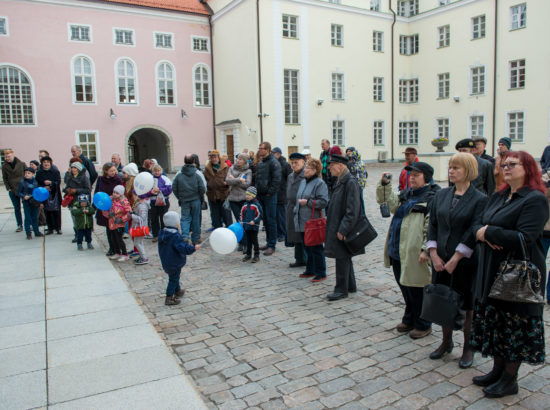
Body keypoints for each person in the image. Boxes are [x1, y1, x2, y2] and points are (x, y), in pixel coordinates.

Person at [471, 151, 547, 399]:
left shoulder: (534, 199)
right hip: (492, 268)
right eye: (504, 164)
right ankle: (497, 370)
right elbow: (479, 223)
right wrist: (485, 231)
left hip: (518, 273)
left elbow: (525, 237)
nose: (506, 167)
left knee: (515, 324)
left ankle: (509, 379)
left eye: (512, 164)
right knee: (497, 323)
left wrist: (490, 233)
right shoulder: (500, 194)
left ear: (527, 168)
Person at [426, 153, 488, 368]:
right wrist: (433, 253)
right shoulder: (441, 195)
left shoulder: (480, 199)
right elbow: (433, 224)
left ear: (468, 171)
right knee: (443, 301)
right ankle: (446, 342)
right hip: (440, 259)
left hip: (465, 262)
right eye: (451, 167)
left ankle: (468, 348)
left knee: (467, 306)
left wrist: (456, 257)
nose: (451, 171)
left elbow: (474, 230)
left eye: (457, 168)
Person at [376, 161, 440, 338]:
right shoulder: (408, 194)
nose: (412, 178)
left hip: (414, 250)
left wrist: (425, 249)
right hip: (398, 248)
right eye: (411, 175)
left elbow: (432, 226)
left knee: (418, 288)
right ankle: (410, 317)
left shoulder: (432, 197)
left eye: (417, 175)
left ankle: (423, 323)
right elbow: (390, 204)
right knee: (404, 285)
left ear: (426, 178)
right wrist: (385, 186)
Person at [324, 155, 365, 301]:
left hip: (342, 227)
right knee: (345, 255)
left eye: (332, 165)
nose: (329, 168)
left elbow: (352, 210)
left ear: (341, 166)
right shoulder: (342, 181)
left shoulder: (350, 182)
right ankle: (350, 285)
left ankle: (341, 289)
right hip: (337, 224)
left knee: (341, 256)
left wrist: (343, 229)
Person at [294, 159, 329, 282]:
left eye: (307, 168)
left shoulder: (320, 183)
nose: (304, 170)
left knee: (316, 248)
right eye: (305, 167)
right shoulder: (303, 181)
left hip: (313, 221)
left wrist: (308, 202)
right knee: (307, 246)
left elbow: (324, 202)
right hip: (302, 220)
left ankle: (321, 272)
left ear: (314, 170)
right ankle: (310, 269)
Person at [158, 211, 200, 306]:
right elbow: (182, 247)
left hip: (167, 260)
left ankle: (177, 290)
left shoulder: (163, 232)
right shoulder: (175, 236)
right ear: (175, 223)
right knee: (173, 278)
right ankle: (169, 297)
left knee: (174, 276)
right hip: (174, 261)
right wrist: (193, 248)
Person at [173, 155, 206, 245]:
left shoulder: (179, 173)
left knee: (185, 218)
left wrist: (179, 197)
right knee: (196, 218)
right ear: (193, 161)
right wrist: (200, 196)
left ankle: (185, 236)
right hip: (196, 199)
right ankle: (195, 239)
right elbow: (202, 188)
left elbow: (174, 187)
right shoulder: (197, 173)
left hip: (184, 200)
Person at [256, 141, 282, 256]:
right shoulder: (261, 162)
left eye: (261, 148)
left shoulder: (273, 162)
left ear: (267, 150)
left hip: (269, 196)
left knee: (271, 220)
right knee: (265, 220)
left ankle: (272, 245)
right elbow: (258, 179)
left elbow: (277, 180)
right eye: (259, 148)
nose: (259, 150)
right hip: (261, 195)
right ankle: (268, 242)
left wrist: (269, 193)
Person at [94, 162, 123, 256]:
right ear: (106, 171)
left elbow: (121, 193)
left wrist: (113, 197)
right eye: (111, 171)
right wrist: (95, 204)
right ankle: (111, 248)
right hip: (104, 207)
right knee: (108, 228)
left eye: (114, 170)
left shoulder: (118, 179)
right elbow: (97, 192)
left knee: (115, 229)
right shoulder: (100, 179)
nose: (113, 172)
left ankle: (118, 249)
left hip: (114, 207)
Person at [226, 153, 252, 251]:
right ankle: (241, 242)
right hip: (233, 199)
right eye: (238, 159)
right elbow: (227, 181)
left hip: (243, 199)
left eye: (241, 159)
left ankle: (246, 243)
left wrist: (234, 180)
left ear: (245, 161)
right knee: (238, 221)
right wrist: (239, 180)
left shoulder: (248, 171)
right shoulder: (231, 168)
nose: (238, 160)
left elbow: (247, 184)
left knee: (244, 221)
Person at [287, 152, 307, 268]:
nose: (294, 165)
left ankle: (306, 258)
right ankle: (299, 258)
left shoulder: (306, 175)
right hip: (291, 207)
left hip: (302, 208)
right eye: (292, 163)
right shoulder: (291, 175)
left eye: (296, 162)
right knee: (295, 235)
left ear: (303, 162)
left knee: (302, 235)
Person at [204, 150, 232, 229]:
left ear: (218, 157)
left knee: (227, 215)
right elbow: (206, 179)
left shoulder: (225, 166)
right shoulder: (207, 168)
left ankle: (229, 232)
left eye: (215, 157)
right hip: (212, 195)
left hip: (224, 194)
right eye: (212, 157)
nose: (214, 159)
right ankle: (218, 231)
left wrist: (227, 183)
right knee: (215, 216)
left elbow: (230, 177)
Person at [103, 185, 131, 261]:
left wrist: (122, 219)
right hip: (111, 223)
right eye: (114, 192)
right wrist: (108, 215)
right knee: (113, 238)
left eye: (117, 193)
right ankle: (117, 252)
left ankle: (125, 254)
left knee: (119, 239)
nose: (115, 194)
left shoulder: (124, 201)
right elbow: (104, 209)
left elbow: (129, 213)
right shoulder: (110, 199)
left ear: (121, 194)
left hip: (119, 224)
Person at [36, 156, 62, 235]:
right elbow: (37, 183)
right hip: (44, 195)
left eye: (47, 162)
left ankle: (58, 228)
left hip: (54, 194)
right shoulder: (39, 173)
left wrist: (51, 184)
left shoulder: (55, 171)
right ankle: (50, 228)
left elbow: (58, 181)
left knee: (56, 212)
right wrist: (44, 187)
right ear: (42, 164)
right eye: (44, 162)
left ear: (50, 163)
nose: (46, 163)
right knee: (47, 212)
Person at [2, 149, 26, 232]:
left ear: (13, 155)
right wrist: (8, 187)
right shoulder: (4, 166)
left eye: (8, 156)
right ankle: (19, 225)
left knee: (26, 207)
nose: (7, 158)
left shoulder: (21, 164)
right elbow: (4, 178)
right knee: (17, 208)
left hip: (22, 189)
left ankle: (28, 224)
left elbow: (27, 174)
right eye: (5, 157)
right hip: (12, 190)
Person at [272, 147, 292, 243]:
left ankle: (282, 234)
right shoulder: (272, 164)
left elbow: (290, 178)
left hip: (282, 193)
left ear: (278, 154)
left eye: (274, 153)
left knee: (281, 216)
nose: (272, 154)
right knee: (275, 215)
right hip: (274, 193)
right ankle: (277, 233)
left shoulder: (285, 165)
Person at [148, 164, 172, 243]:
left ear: (161, 171)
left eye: (158, 171)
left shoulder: (165, 179)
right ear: (153, 172)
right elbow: (146, 190)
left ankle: (164, 235)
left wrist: (160, 190)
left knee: (163, 219)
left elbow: (169, 189)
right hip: (152, 202)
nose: (157, 172)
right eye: (155, 171)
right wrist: (151, 191)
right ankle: (156, 235)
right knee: (154, 219)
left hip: (163, 202)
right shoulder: (149, 179)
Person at [17, 167, 43, 240]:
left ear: (33, 174)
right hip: (26, 202)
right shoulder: (22, 182)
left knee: (35, 217)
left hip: (34, 202)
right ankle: (28, 233)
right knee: (28, 218)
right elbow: (18, 192)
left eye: (29, 173)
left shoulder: (35, 182)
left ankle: (36, 231)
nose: (27, 174)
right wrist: (23, 196)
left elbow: (38, 192)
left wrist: (40, 202)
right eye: (26, 173)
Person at [240, 186, 263, 263]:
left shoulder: (256, 205)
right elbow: (241, 214)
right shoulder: (245, 205)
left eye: (249, 195)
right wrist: (242, 221)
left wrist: (254, 221)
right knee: (248, 241)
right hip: (247, 227)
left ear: (253, 196)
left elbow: (260, 215)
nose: (247, 196)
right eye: (246, 194)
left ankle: (256, 255)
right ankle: (248, 254)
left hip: (254, 227)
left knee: (254, 241)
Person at [130, 195, 150, 264]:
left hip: (140, 227)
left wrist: (132, 215)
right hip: (138, 226)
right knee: (139, 242)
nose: (133, 196)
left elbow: (141, 218)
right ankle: (142, 256)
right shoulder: (139, 204)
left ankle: (144, 257)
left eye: (134, 195)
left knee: (137, 243)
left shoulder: (142, 206)